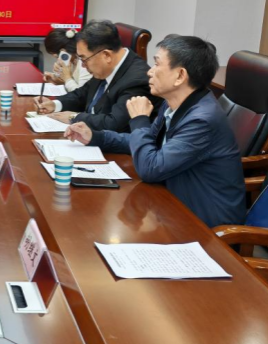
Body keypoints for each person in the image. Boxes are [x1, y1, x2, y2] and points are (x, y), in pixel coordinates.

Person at [65, 35, 245, 228]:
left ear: (180, 76)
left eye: (157, 64)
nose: (149, 72)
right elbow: (147, 142)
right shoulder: (174, 103)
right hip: (172, 202)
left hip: (205, 222)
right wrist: (96, 136)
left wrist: (139, 119)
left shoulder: (201, 120)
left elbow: (150, 168)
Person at [33, 19, 154, 132]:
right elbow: (83, 93)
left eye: (84, 59)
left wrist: (74, 117)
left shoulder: (136, 81)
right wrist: (55, 104)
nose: (83, 65)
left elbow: (113, 123)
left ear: (106, 55)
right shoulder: (105, 66)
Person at [42, 28, 92, 92]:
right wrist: (58, 80)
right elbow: (74, 84)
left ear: (63, 51)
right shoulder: (73, 60)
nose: (58, 59)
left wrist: (67, 78)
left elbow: (81, 94)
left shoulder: (84, 64)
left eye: (57, 56)